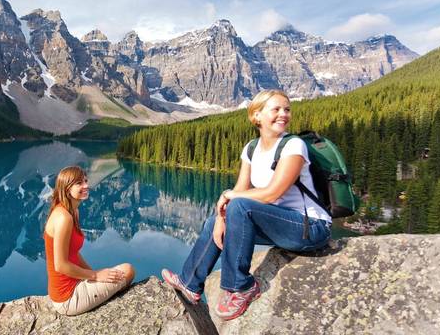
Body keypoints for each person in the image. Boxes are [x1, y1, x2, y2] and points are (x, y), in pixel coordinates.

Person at [161, 90, 332, 320]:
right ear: (257, 116)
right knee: (216, 220)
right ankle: (190, 284)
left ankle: (241, 287)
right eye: (276, 109)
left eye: (287, 109)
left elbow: (273, 193)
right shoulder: (251, 148)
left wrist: (229, 196)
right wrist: (222, 218)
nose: (284, 114)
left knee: (241, 206)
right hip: (281, 223)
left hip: (310, 227)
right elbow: (241, 191)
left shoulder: (294, 145)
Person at [44, 166, 135, 315]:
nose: (86, 185)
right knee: (128, 270)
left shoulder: (73, 211)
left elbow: (73, 253)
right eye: (79, 183)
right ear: (67, 188)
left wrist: (92, 272)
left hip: (74, 283)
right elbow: (60, 265)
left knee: (118, 273)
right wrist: (96, 276)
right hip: (67, 298)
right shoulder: (63, 218)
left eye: (85, 181)